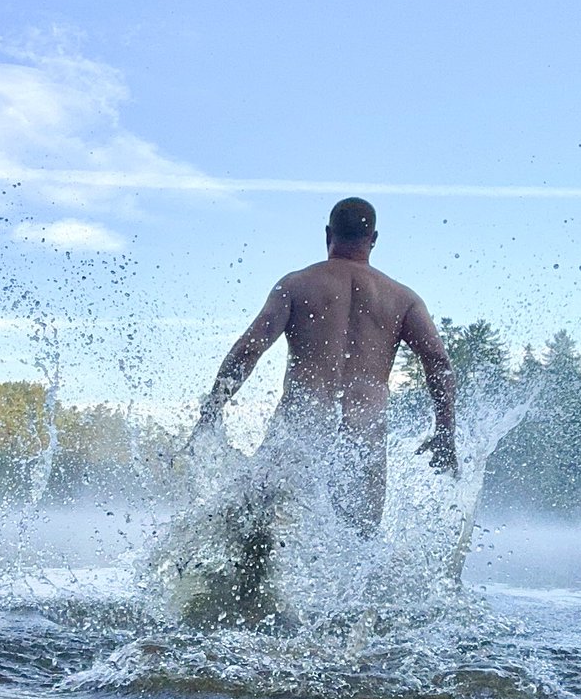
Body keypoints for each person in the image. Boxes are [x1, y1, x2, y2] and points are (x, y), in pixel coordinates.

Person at [193, 197, 458, 537]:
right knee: (358, 546)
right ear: (373, 239)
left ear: (328, 234)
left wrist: (211, 412)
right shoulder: (402, 299)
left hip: (301, 429)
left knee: (251, 533)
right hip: (363, 440)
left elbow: (248, 350)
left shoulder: (296, 285)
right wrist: (445, 433)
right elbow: (438, 364)